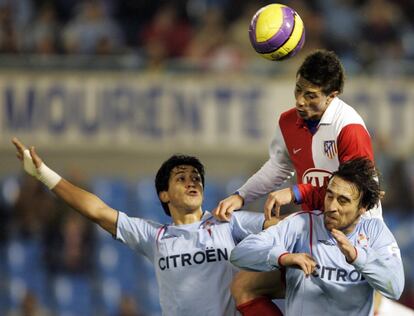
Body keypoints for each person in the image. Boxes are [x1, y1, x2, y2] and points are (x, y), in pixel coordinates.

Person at [11, 137, 277, 316]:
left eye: (196, 178)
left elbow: (281, 226)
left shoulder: (228, 222)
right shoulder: (155, 236)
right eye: (181, 178)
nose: (192, 182)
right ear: (164, 194)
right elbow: (97, 210)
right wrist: (44, 174)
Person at [213, 49, 381, 314]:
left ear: (332, 96)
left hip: (352, 236)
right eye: (298, 90)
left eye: (311, 95)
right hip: (314, 229)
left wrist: (296, 193)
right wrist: (242, 195)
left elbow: (354, 194)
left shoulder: (349, 128)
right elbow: (279, 166)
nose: (301, 101)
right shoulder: (289, 121)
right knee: (244, 286)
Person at [230, 158, 404, 316]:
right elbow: (240, 253)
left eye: (343, 200)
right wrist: (283, 257)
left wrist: (357, 257)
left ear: (363, 207)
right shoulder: (303, 224)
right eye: (329, 196)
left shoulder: (374, 233)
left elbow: (395, 287)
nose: (331, 206)